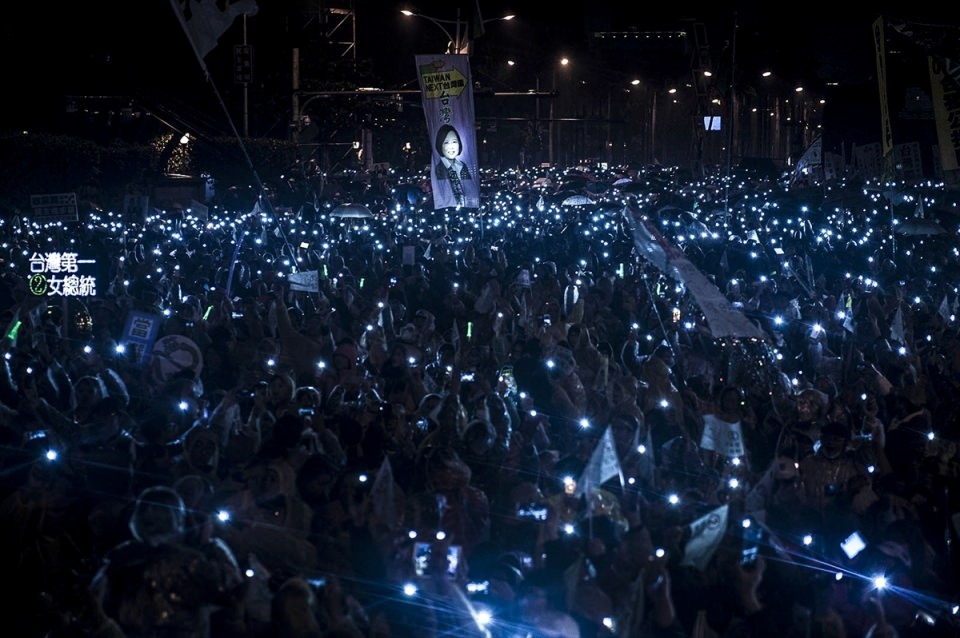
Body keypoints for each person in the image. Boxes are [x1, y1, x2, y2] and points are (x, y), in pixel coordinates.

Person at [432, 124, 476, 209]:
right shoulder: (439, 169)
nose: (451, 146)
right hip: (449, 209)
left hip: (465, 208)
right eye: (446, 142)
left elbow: (470, 189)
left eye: (454, 142)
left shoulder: (462, 166)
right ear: (440, 145)